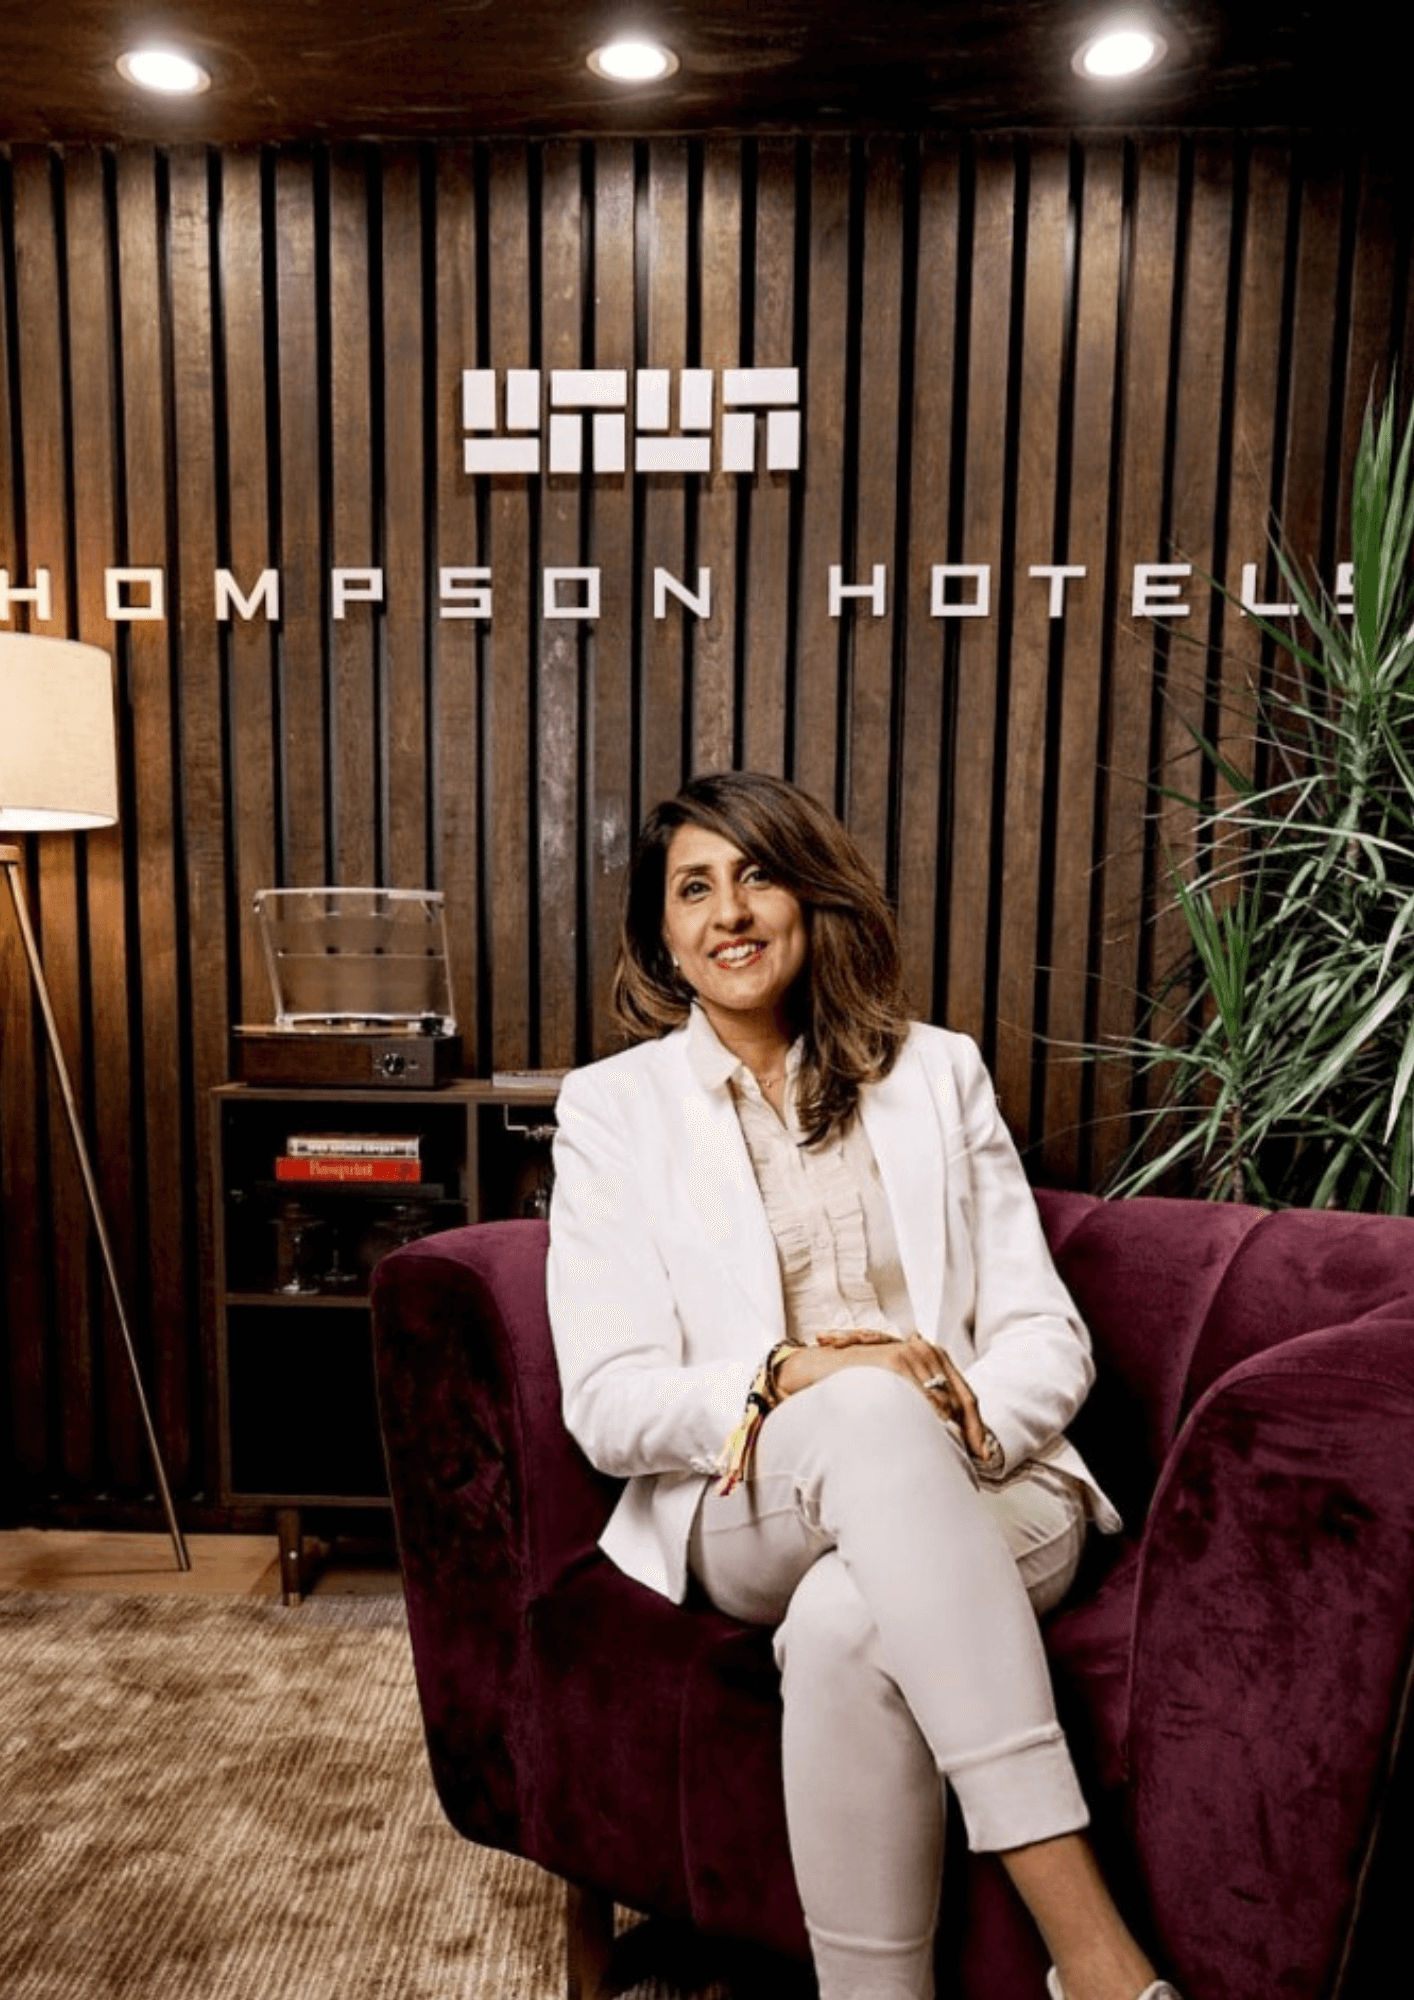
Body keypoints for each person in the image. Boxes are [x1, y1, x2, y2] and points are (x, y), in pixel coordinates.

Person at [546, 771, 1181, 2000]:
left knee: (850, 1618)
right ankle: (1094, 1954)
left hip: (995, 1481)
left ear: (810, 897)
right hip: (753, 1499)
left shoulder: (936, 1072)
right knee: (859, 1408)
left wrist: (944, 1429)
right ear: (663, 937)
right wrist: (801, 1376)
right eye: (693, 888)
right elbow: (609, 1400)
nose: (730, 912)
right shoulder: (612, 1110)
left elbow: (1045, 1334)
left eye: (757, 876)